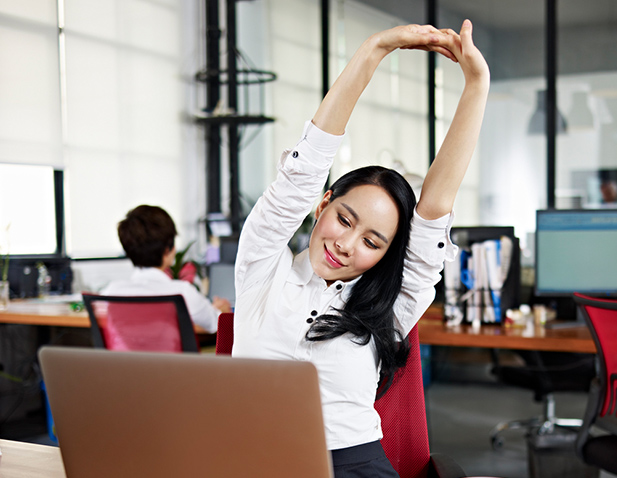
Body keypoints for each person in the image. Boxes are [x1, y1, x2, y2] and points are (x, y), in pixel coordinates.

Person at [233, 20, 489, 476]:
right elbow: (303, 172)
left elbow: (434, 208)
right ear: (323, 205)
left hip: (353, 465)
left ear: (387, 253)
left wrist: (476, 85)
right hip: (253, 460)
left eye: (372, 241)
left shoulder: (392, 305)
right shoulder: (262, 268)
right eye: (344, 220)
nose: (346, 245)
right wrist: (377, 47)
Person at [103, 205, 231, 333]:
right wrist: (221, 310)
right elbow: (217, 323)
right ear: (168, 249)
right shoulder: (182, 293)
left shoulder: (111, 293)